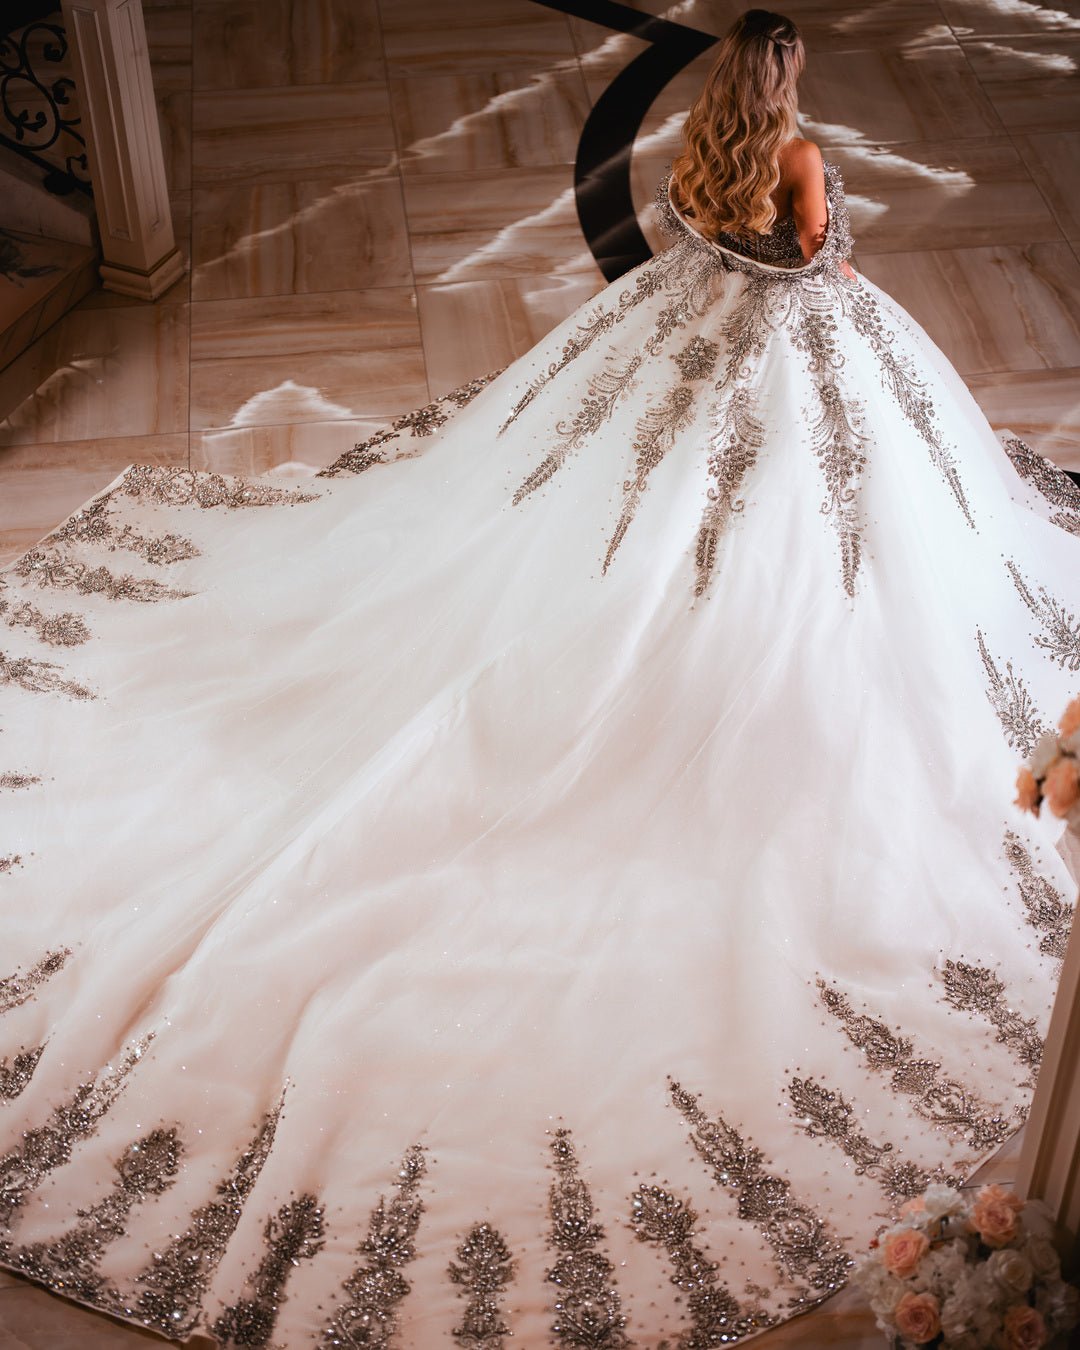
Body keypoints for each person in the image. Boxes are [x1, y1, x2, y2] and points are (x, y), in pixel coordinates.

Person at [1, 9, 1077, 1347]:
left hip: (682, 348)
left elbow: (697, 238)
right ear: (789, 81)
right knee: (822, 573)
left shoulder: (704, 146)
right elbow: (814, 264)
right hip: (786, 367)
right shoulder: (797, 165)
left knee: (604, 522)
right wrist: (831, 255)